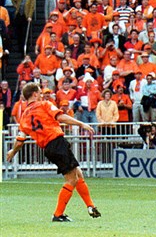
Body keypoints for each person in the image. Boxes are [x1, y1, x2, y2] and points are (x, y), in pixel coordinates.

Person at [5, 82, 100, 221]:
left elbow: (20, 141)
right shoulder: (44, 104)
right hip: (57, 143)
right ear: (35, 94)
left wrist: (13, 152)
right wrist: (81, 123)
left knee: (78, 174)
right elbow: (60, 117)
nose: (41, 94)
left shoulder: (24, 117)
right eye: (40, 91)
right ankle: (58, 214)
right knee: (71, 180)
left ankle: (90, 206)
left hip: (48, 148)